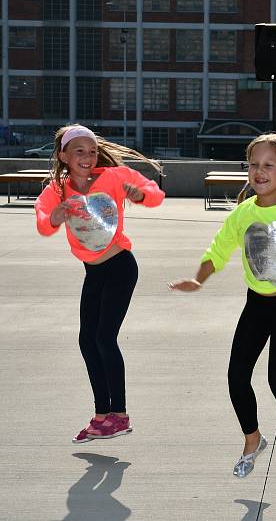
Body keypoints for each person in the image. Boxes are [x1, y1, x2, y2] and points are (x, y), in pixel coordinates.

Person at [169, 132, 276, 489]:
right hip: (256, 305)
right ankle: (253, 439)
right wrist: (199, 279)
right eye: (254, 165)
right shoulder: (243, 214)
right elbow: (218, 249)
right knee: (236, 375)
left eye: (268, 165)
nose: (259, 172)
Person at [34, 124, 165, 443]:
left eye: (92, 151)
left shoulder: (114, 177)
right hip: (93, 273)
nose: (88, 157)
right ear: (64, 156)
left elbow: (155, 194)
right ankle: (102, 415)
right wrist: (54, 218)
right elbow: (42, 219)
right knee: (86, 341)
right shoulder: (58, 189)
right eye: (79, 151)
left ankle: (119, 416)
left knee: (105, 338)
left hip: (120, 268)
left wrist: (142, 194)